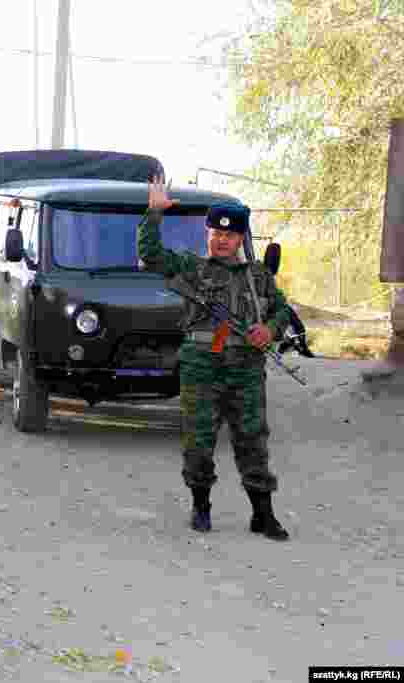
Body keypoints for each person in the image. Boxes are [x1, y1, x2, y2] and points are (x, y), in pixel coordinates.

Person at [136, 174, 291, 541]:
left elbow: (283, 311)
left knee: (252, 439)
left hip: (246, 369)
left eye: (229, 235)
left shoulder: (258, 276)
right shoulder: (192, 268)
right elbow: (150, 255)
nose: (221, 240)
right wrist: (153, 214)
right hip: (201, 365)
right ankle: (201, 505)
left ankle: (262, 514)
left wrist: (269, 330)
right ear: (207, 234)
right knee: (199, 439)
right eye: (215, 233)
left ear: (240, 239)